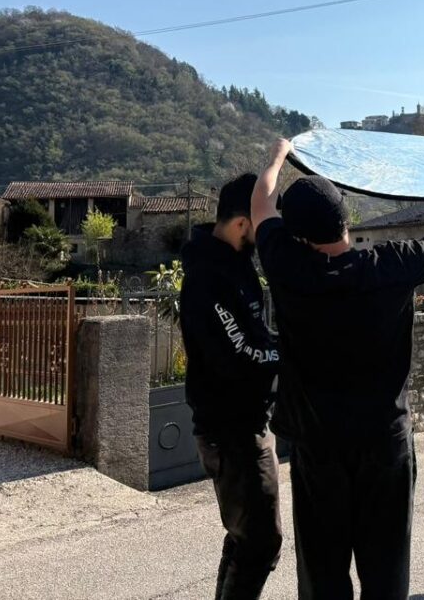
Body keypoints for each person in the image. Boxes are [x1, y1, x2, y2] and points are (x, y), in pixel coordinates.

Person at [250, 138, 424, 600]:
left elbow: (261, 203)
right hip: (384, 445)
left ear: (299, 236)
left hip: (319, 448)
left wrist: (277, 155)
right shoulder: (393, 264)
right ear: (345, 219)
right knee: (386, 570)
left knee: (322, 572)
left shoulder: (287, 266)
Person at [179, 173, 283, 600]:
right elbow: (239, 353)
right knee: (261, 543)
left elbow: (255, 334)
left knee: (246, 539)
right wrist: (290, 355)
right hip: (232, 432)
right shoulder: (208, 277)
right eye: (264, 222)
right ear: (242, 222)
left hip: (244, 425)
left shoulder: (236, 262)